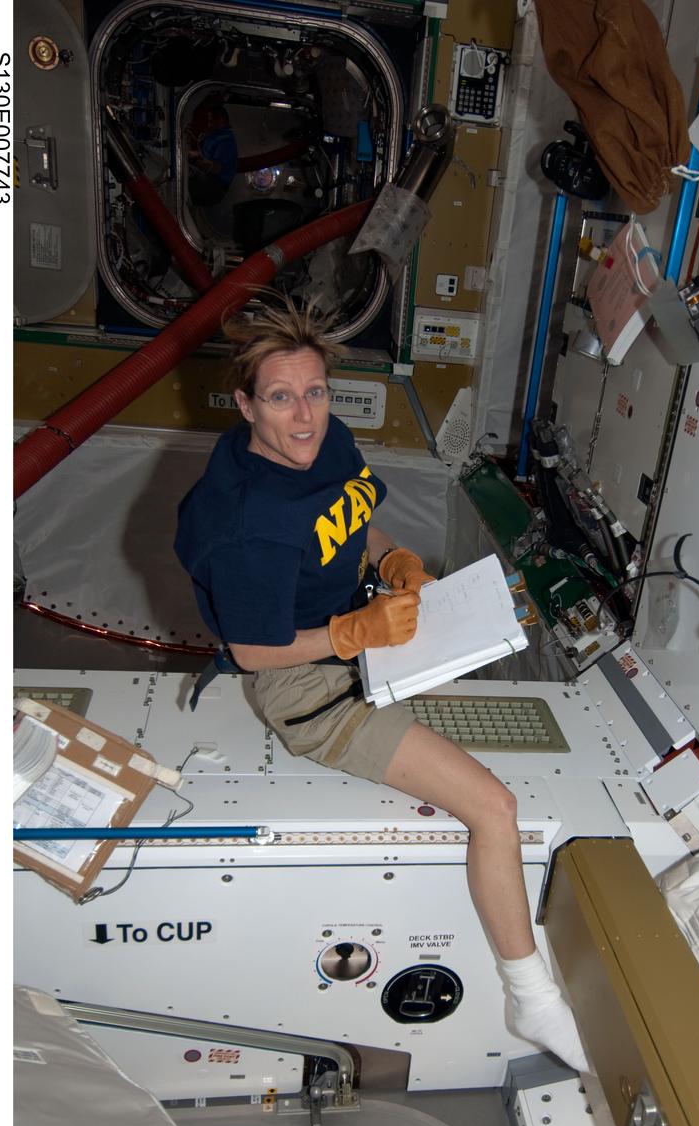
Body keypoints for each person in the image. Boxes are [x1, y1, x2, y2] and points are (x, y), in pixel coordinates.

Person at [175, 298, 587, 1071]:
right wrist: (349, 635)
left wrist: (394, 562)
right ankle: (530, 999)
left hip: (359, 636)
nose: (305, 416)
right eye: (281, 398)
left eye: (316, 392)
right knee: (494, 806)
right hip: (304, 683)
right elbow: (252, 651)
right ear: (245, 406)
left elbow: (356, 522)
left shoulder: (324, 441)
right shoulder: (247, 521)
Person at [188, 104, 238, 207]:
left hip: (216, 186)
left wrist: (196, 163)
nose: (209, 125)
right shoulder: (215, 136)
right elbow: (205, 155)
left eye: (211, 121)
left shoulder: (226, 141)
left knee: (185, 184)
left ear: (220, 120)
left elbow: (216, 168)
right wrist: (188, 154)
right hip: (209, 180)